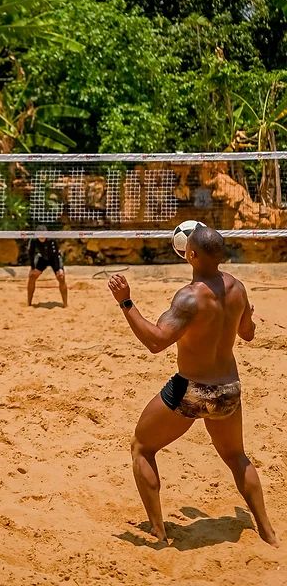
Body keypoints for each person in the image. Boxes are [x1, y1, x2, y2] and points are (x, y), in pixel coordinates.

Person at [108, 225, 277, 547]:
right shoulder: (238, 289)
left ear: (191, 254)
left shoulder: (189, 297)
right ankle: (267, 530)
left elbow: (156, 343)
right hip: (229, 390)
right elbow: (249, 334)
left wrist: (126, 303)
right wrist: (248, 316)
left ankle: (159, 532)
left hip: (193, 391)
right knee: (237, 456)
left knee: (142, 447)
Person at [27, 225, 67, 307]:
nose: (42, 236)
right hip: (43, 258)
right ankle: (29, 303)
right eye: (39, 234)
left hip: (54, 258)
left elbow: (56, 255)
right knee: (32, 276)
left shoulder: (51, 240)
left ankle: (65, 304)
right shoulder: (33, 240)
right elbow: (31, 253)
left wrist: (59, 269)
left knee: (61, 277)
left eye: (43, 234)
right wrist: (32, 268)